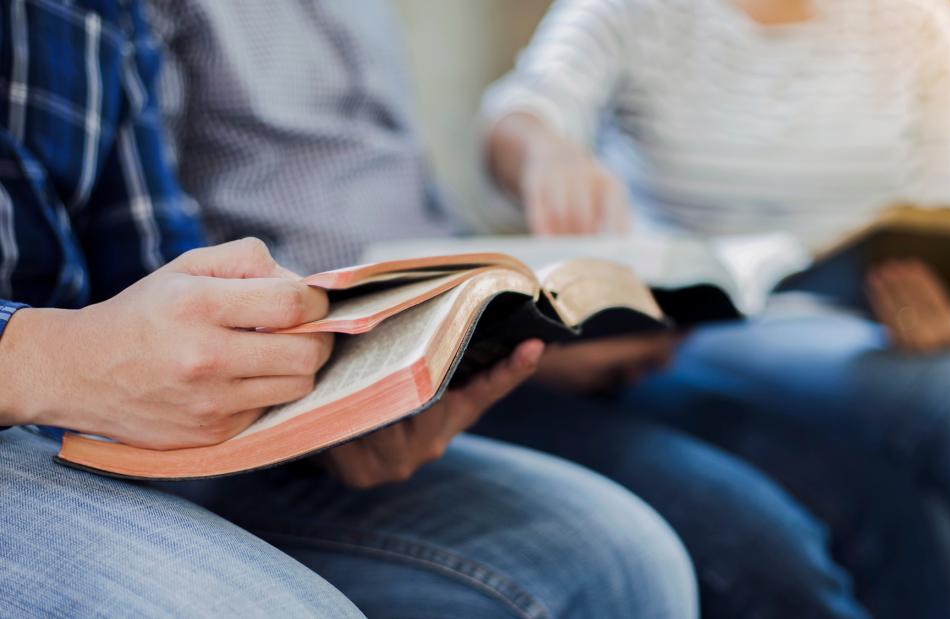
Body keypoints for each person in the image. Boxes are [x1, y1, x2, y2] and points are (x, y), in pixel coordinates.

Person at [147, 0, 950, 617]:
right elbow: (168, 260)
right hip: (382, 353)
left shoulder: (914, 26)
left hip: (513, 331)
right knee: (842, 481)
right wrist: (541, 175)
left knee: (886, 502)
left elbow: (406, 220)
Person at [0, 1, 698, 617]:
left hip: (107, 432)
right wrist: (53, 359)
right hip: (30, 415)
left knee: (616, 556)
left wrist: (327, 406)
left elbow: (145, 265)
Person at [482, 0, 950, 617]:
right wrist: (546, 153)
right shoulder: (637, 12)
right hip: (688, 332)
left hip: (854, 337)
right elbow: (521, 113)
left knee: (937, 428)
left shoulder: (915, 23)